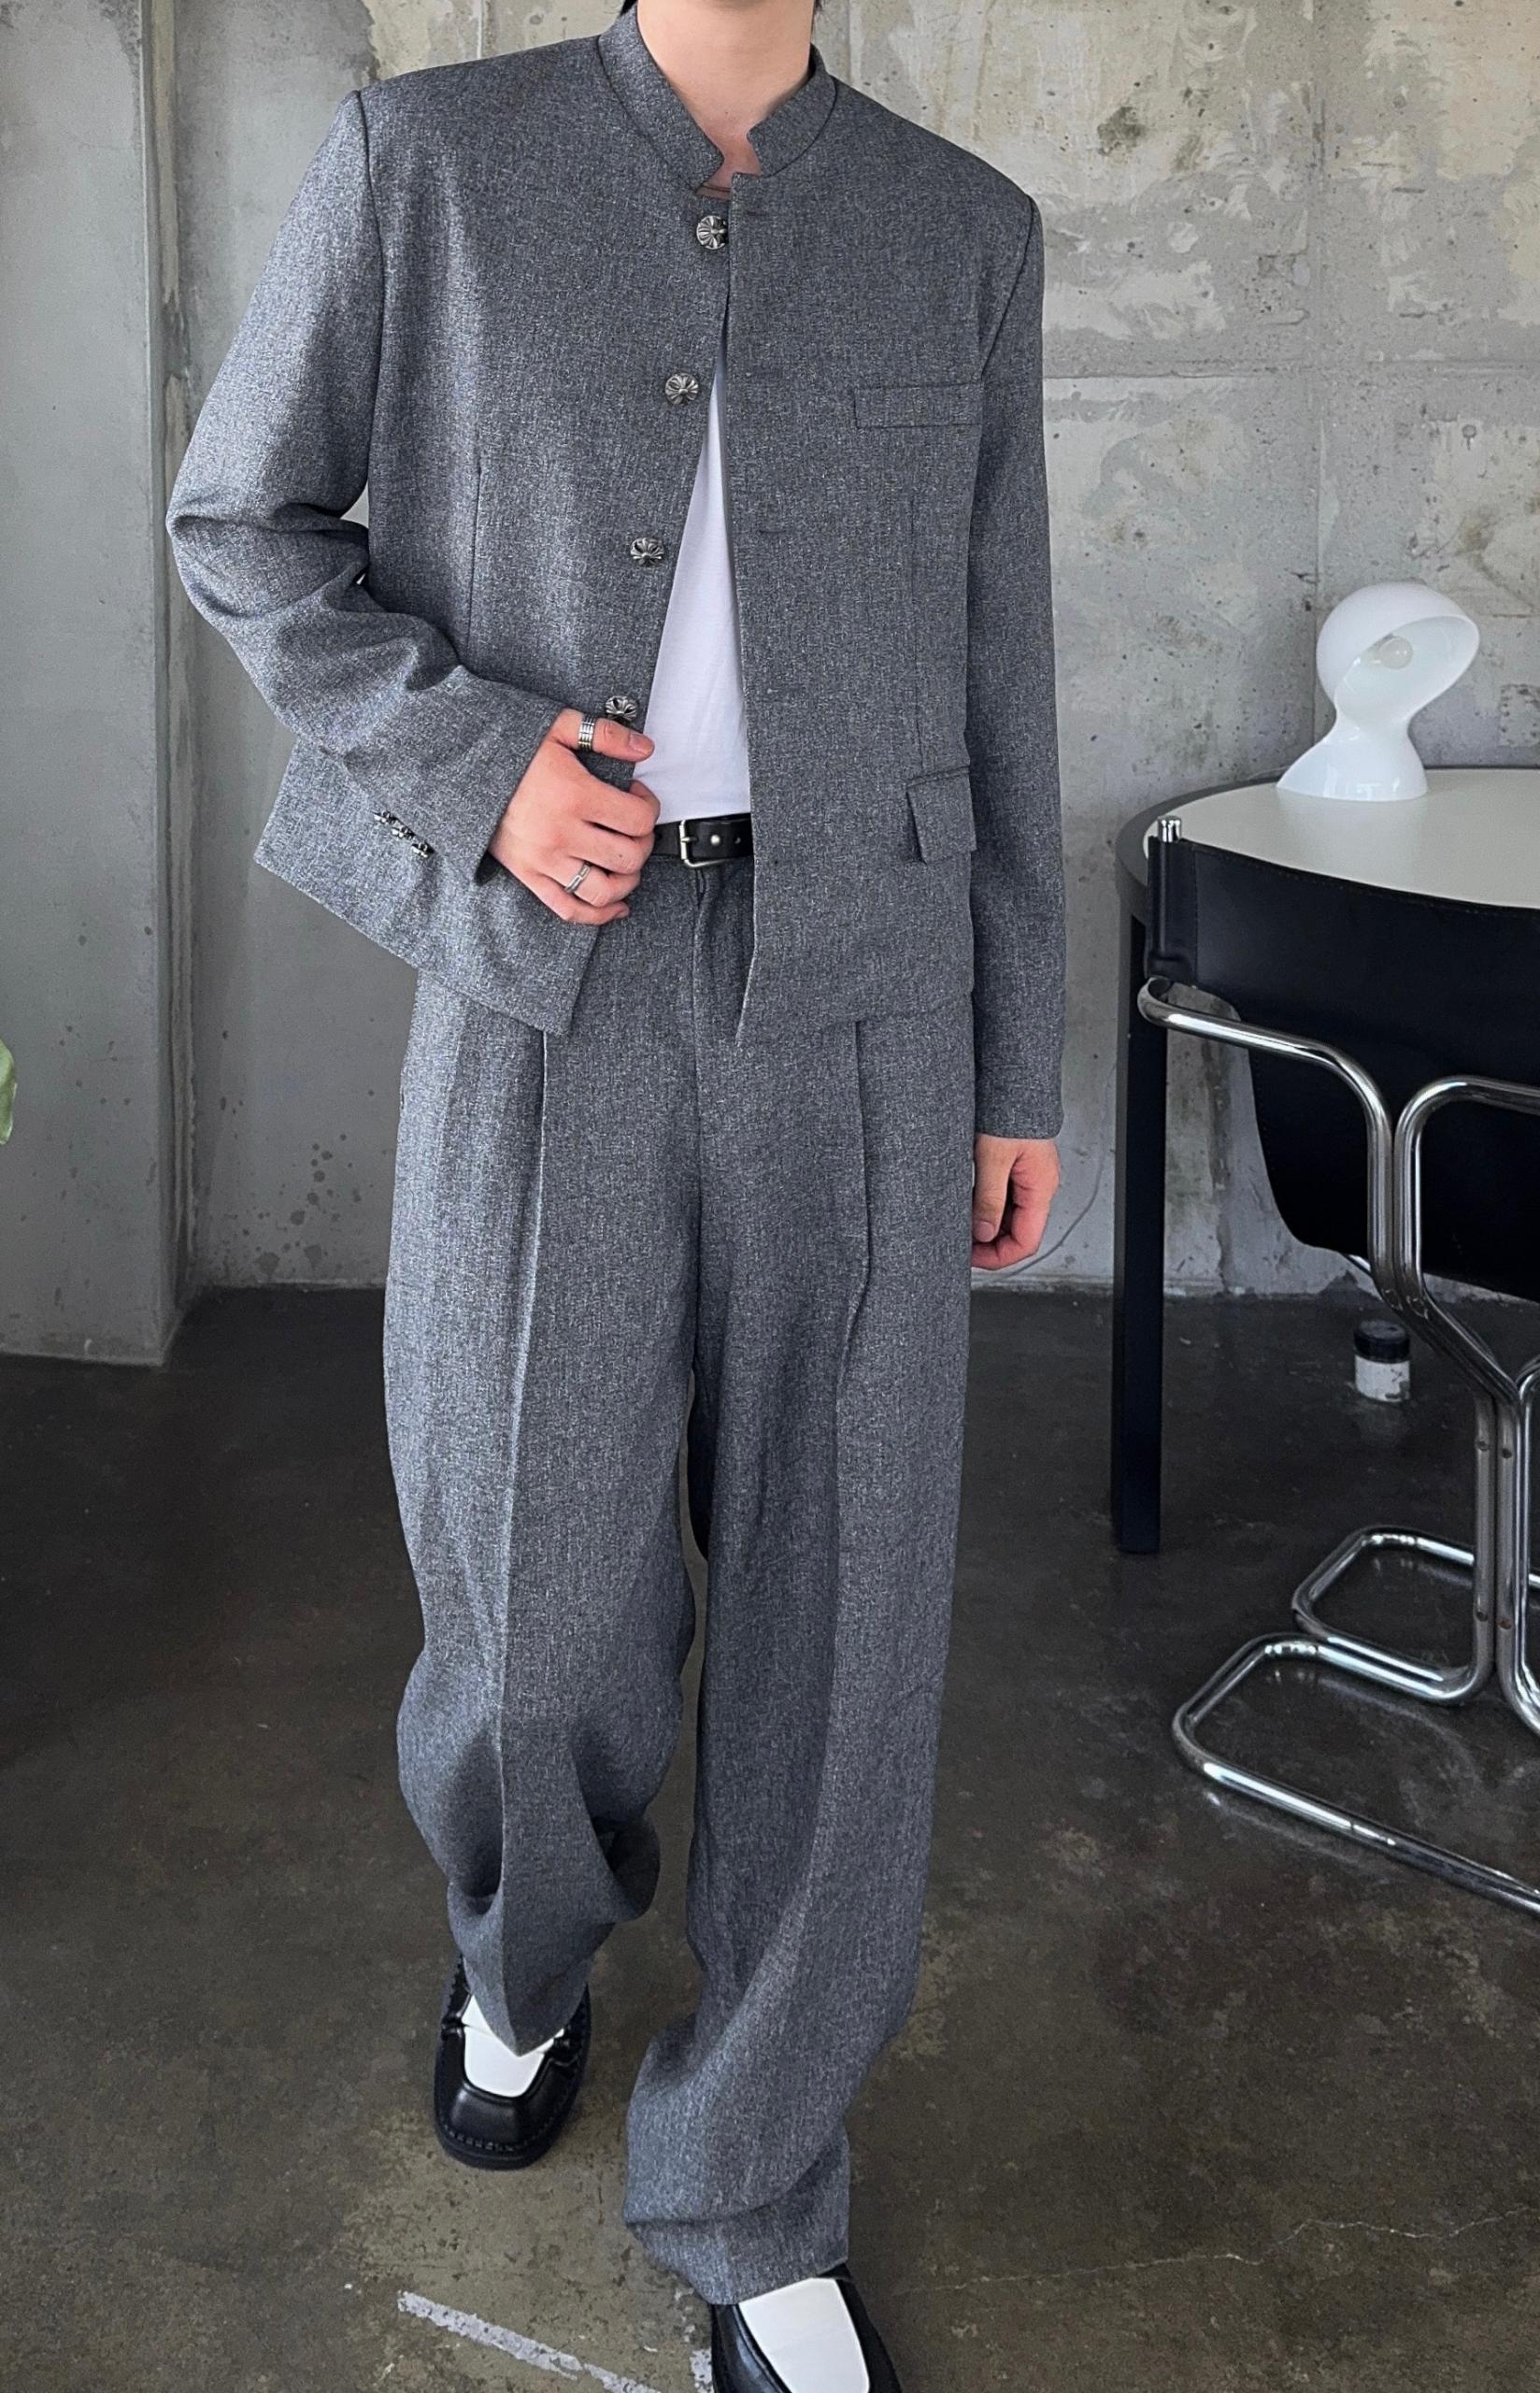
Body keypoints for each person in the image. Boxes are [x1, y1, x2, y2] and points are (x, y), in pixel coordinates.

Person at [166, 0, 1062, 2383]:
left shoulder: (965, 234)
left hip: (869, 995)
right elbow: (243, 520)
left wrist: (1017, 1057)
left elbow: (1003, 659)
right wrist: (476, 763)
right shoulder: (428, 165)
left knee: (843, 1618)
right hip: (551, 976)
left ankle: (753, 2183)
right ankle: (522, 1941)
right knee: (531, 1598)